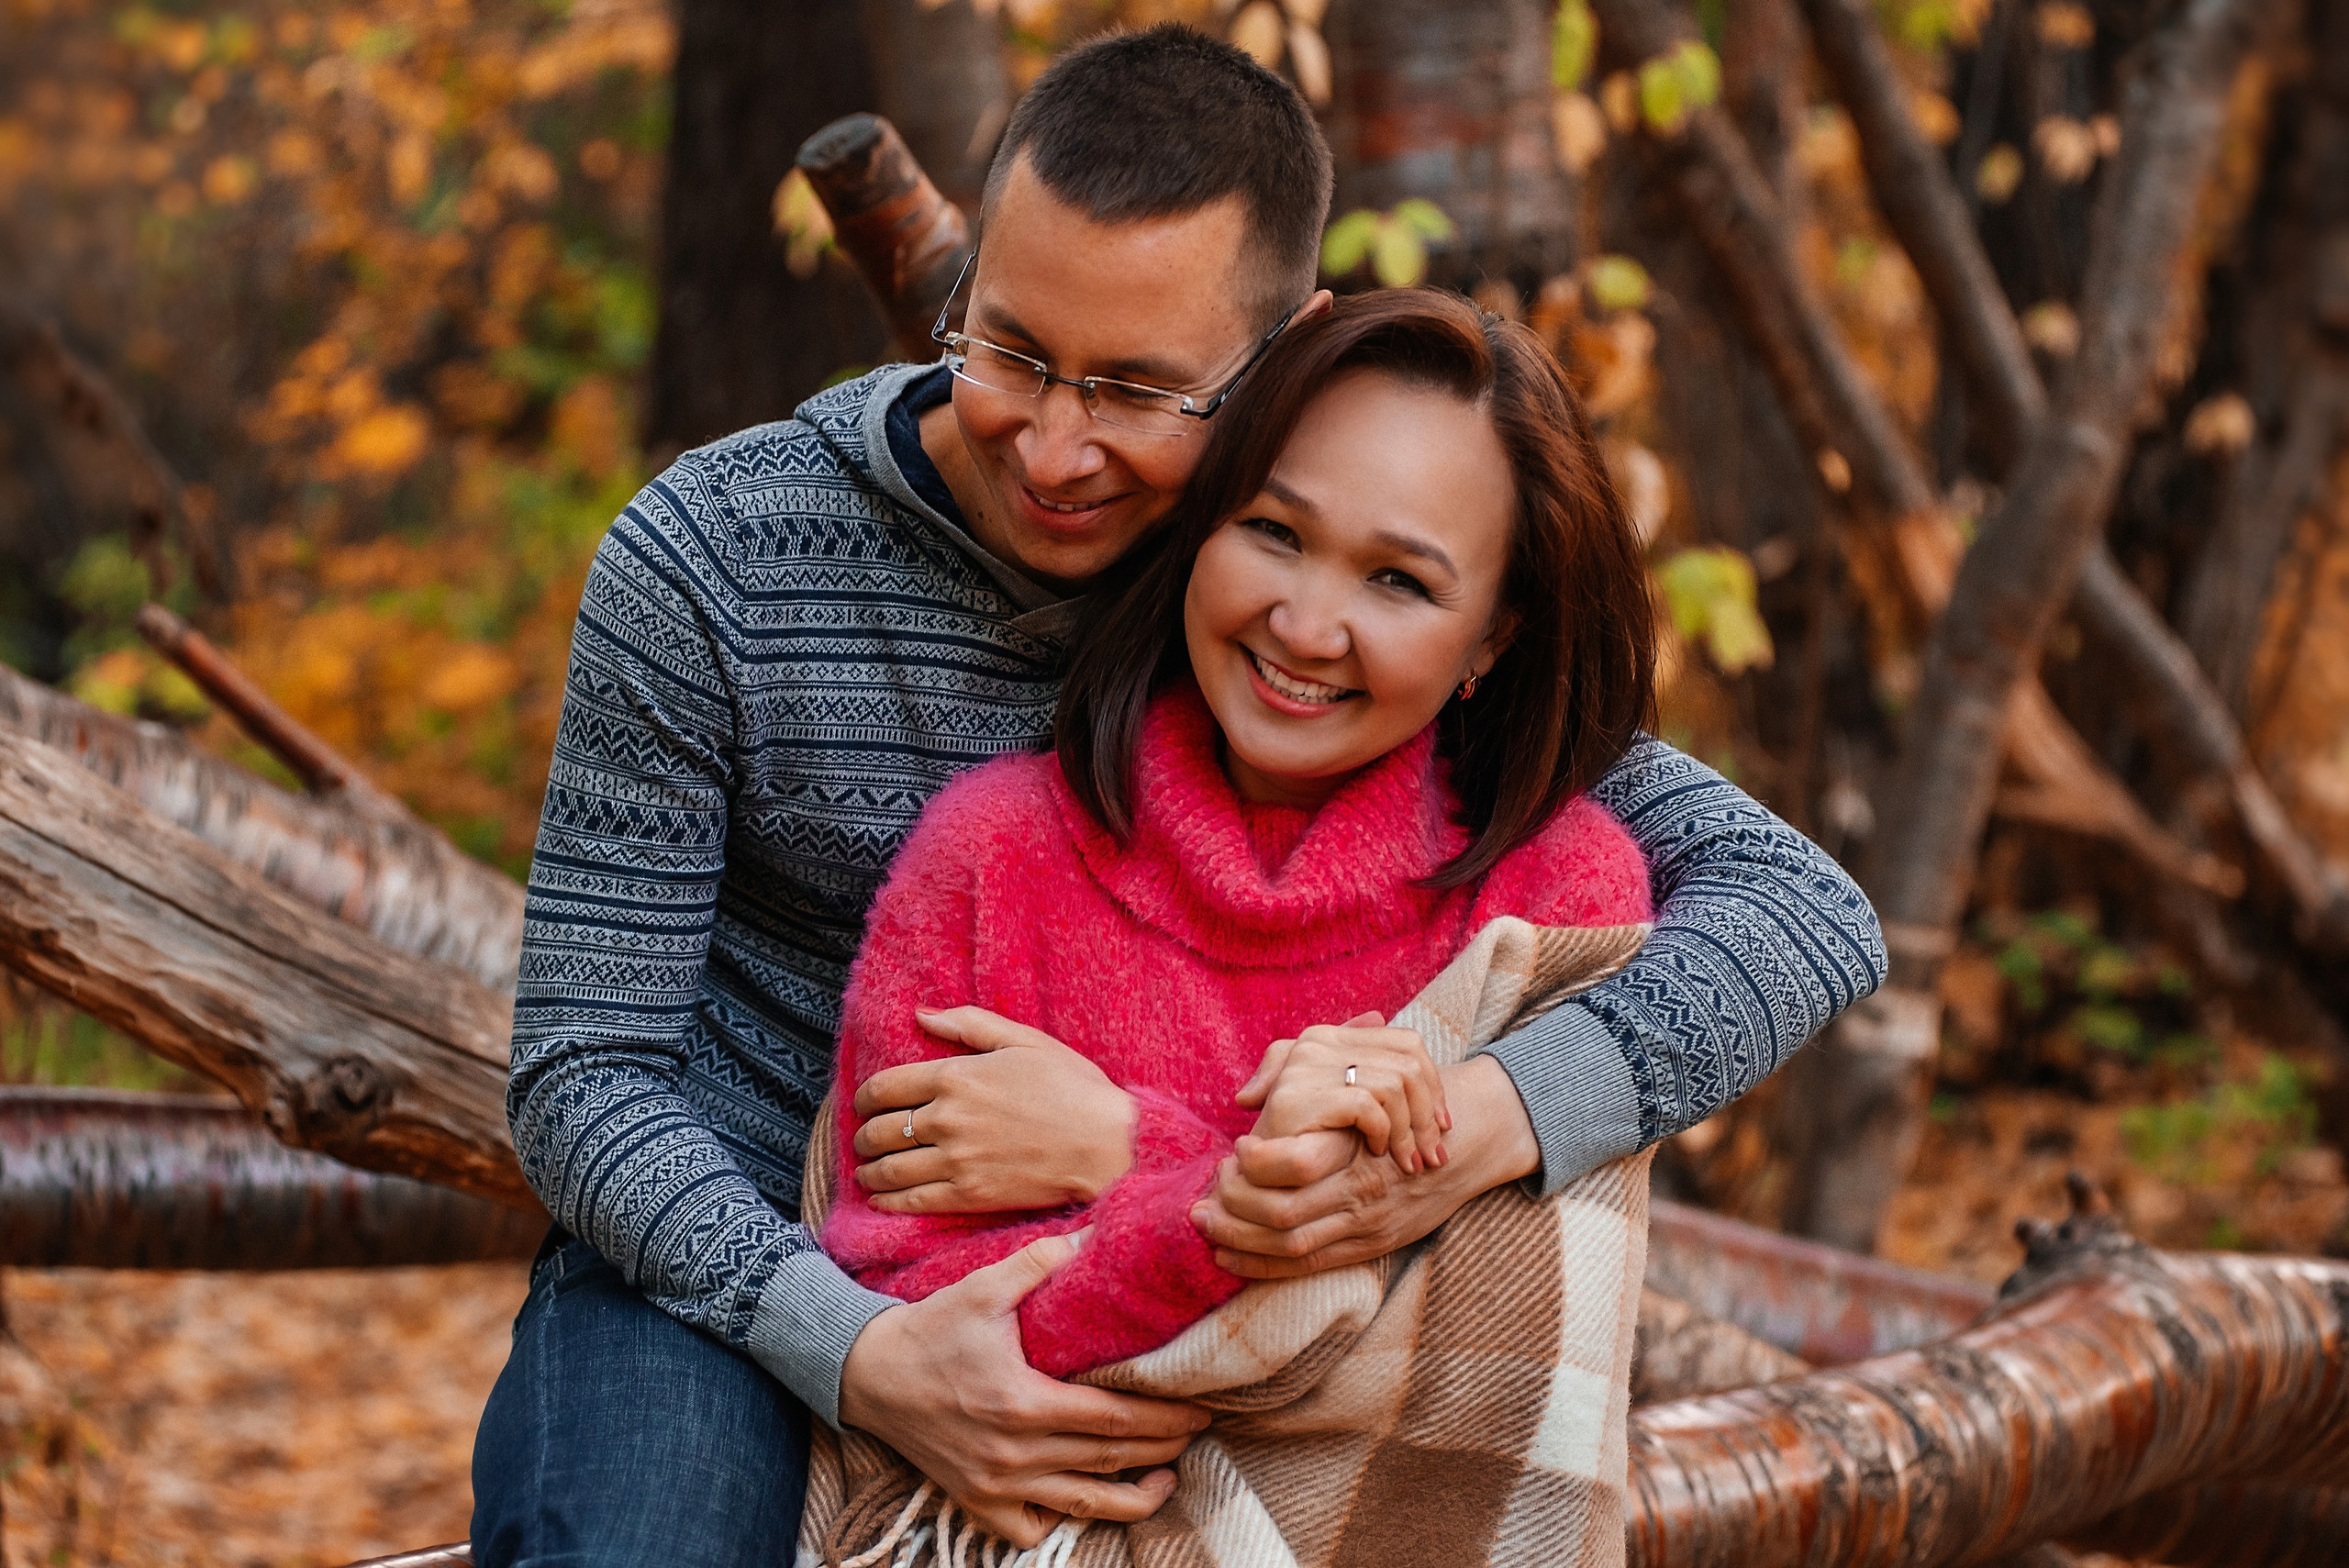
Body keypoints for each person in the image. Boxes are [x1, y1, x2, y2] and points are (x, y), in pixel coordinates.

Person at [469, 24, 1887, 1568]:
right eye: (1006, 348)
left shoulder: (1283, 586)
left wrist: (1454, 1129)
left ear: (1285, 351)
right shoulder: (712, 559)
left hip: (1176, 1282)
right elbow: (584, 1070)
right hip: (724, 1264)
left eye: (1140, 386)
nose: (1056, 446)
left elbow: (1801, 912)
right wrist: (864, 1350)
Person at [823, 289, 1655, 1415]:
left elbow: (1483, 1344)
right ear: (1200, 528)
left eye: (1398, 580)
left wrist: (1125, 1148)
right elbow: (908, 1315)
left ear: (1493, 635)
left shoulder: (1558, 896)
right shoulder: (990, 854)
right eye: (1274, 531)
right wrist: (1256, 1182)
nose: (1306, 627)